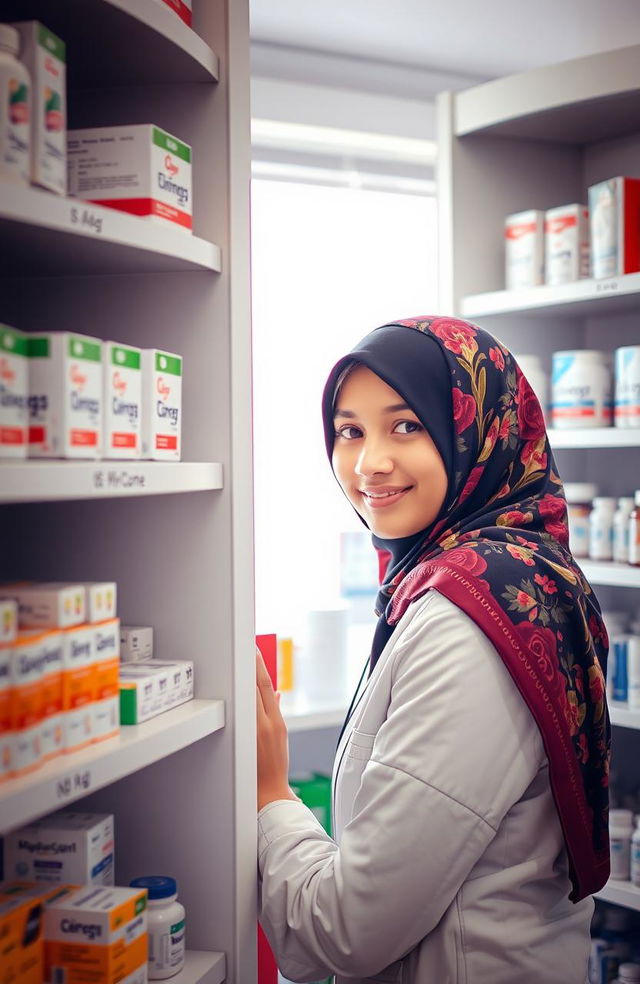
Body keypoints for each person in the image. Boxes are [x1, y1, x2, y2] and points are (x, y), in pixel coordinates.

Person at [256, 316, 610, 984]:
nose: (369, 463)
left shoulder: (470, 616)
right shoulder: (498, 572)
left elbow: (347, 931)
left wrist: (271, 794)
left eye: (406, 426)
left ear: (479, 433)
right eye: (350, 430)